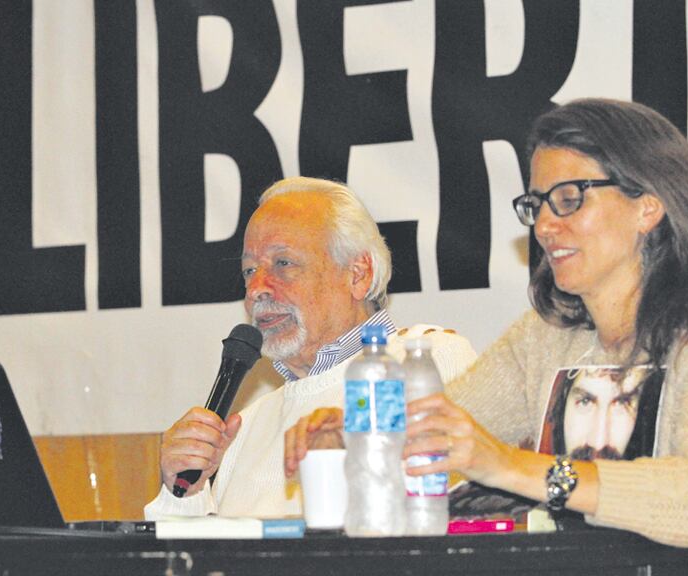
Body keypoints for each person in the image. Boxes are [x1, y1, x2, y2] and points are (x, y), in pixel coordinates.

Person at [285, 99, 688, 548]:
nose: (544, 226)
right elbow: (434, 439)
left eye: (568, 199)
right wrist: (354, 437)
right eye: (537, 205)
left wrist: (508, 465)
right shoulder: (543, 340)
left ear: (647, 206)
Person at [144, 177, 477, 519]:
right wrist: (185, 493)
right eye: (249, 270)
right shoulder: (247, 424)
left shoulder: (427, 361)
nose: (257, 289)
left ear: (358, 275)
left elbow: (443, 520)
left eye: (283, 263)